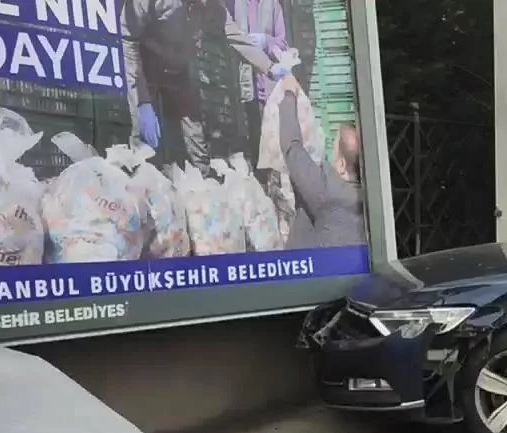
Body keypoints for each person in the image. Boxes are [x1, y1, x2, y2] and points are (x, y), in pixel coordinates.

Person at [122, 0, 288, 172]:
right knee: (146, 147)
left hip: (180, 72)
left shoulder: (213, 6)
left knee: (197, 149)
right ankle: (144, 185)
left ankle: (202, 185)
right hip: (146, 69)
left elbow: (236, 37)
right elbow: (129, 39)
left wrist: (270, 67)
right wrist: (142, 101)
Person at [278, 90, 367, 247]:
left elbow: (292, 148)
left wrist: (289, 96)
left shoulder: (328, 190)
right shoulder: (372, 198)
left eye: (333, 149)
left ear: (341, 165)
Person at [232, 0, 292, 178]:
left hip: (268, 87)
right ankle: (260, 184)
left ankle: (275, 184)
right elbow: (229, 38)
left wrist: (267, 41)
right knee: (253, 139)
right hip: (245, 86)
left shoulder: (272, 5)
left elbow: (283, 43)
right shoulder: (236, 5)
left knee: (272, 141)